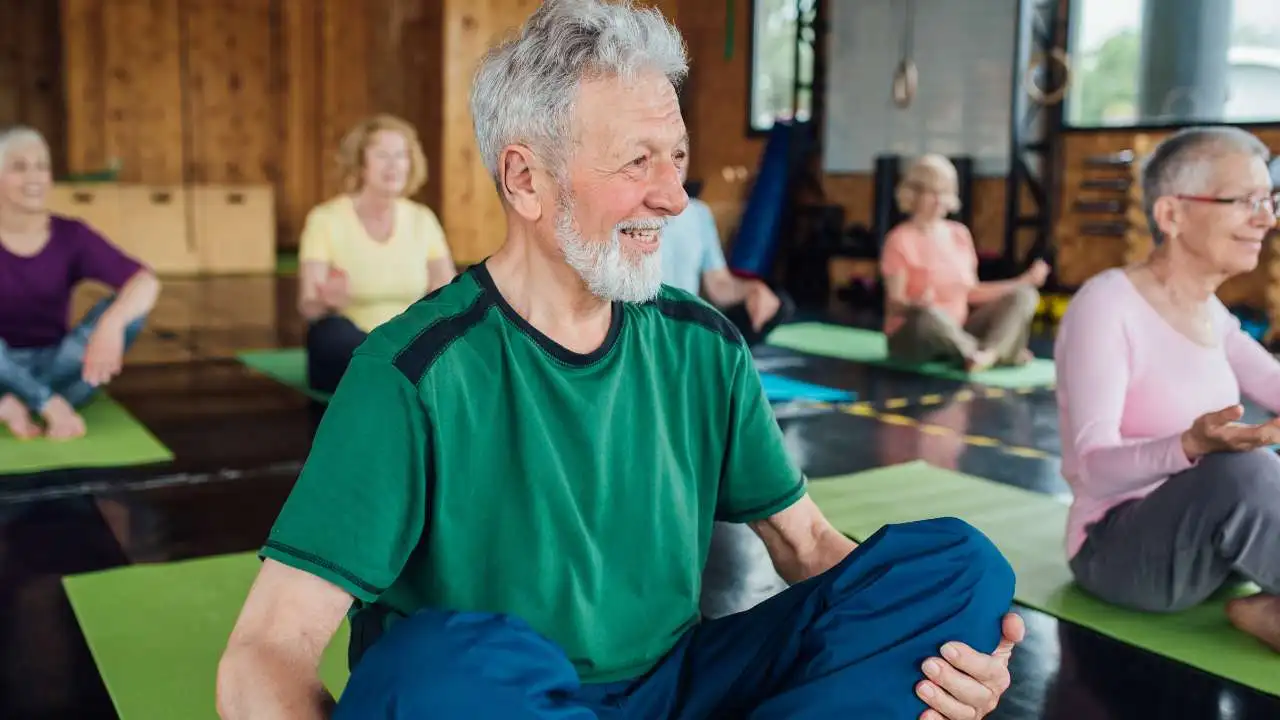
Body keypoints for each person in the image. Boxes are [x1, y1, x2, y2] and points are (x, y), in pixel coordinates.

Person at [217, 3, 1024, 719]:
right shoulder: (413, 372)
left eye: (676, 157)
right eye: (638, 161)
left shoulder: (702, 344)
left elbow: (809, 547)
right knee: (431, 670)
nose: (673, 196)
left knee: (957, 569)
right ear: (527, 180)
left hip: (681, 684)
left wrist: (948, 655)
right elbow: (264, 654)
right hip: (507, 700)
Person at [1054, 126, 1280, 652]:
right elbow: (1091, 468)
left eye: (1268, 200)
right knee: (1244, 467)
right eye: (1244, 201)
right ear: (1172, 215)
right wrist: (1191, 446)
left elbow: (1273, 381)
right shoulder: (1107, 306)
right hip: (1119, 551)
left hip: (1210, 552)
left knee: (1258, 463)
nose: (1267, 218)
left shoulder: (1212, 313)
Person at [0, 126, 158, 440]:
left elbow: (145, 281)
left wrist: (112, 323)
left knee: (128, 310)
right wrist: (49, 402)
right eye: (19, 167)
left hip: (58, 361)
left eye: (42, 167)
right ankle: (49, 402)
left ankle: (13, 401)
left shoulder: (71, 235)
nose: (34, 178)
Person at [297, 114, 457, 395]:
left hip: (406, 337)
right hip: (351, 342)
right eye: (382, 155)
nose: (393, 165)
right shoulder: (325, 220)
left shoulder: (422, 219)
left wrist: (439, 301)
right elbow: (308, 306)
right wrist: (326, 301)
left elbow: (449, 293)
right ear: (361, 164)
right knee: (331, 334)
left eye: (401, 155)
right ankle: (396, 372)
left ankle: (398, 371)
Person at [881, 154, 1048, 372]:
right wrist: (915, 305)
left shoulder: (959, 234)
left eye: (943, 192)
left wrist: (1023, 281)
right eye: (931, 193)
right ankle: (996, 352)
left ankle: (987, 354)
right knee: (929, 316)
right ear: (914, 195)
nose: (939, 200)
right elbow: (894, 305)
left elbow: (972, 292)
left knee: (1025, 295)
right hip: (915, 334)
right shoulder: (899, 239)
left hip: (959, 329)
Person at [659, 188, 793, 347]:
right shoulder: (633, 210)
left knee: (782, 304)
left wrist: (753, 289)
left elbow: (718, 283)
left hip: (684, 334)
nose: (677, 166)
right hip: (642, 330)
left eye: (680, 160)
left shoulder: (699, 213)